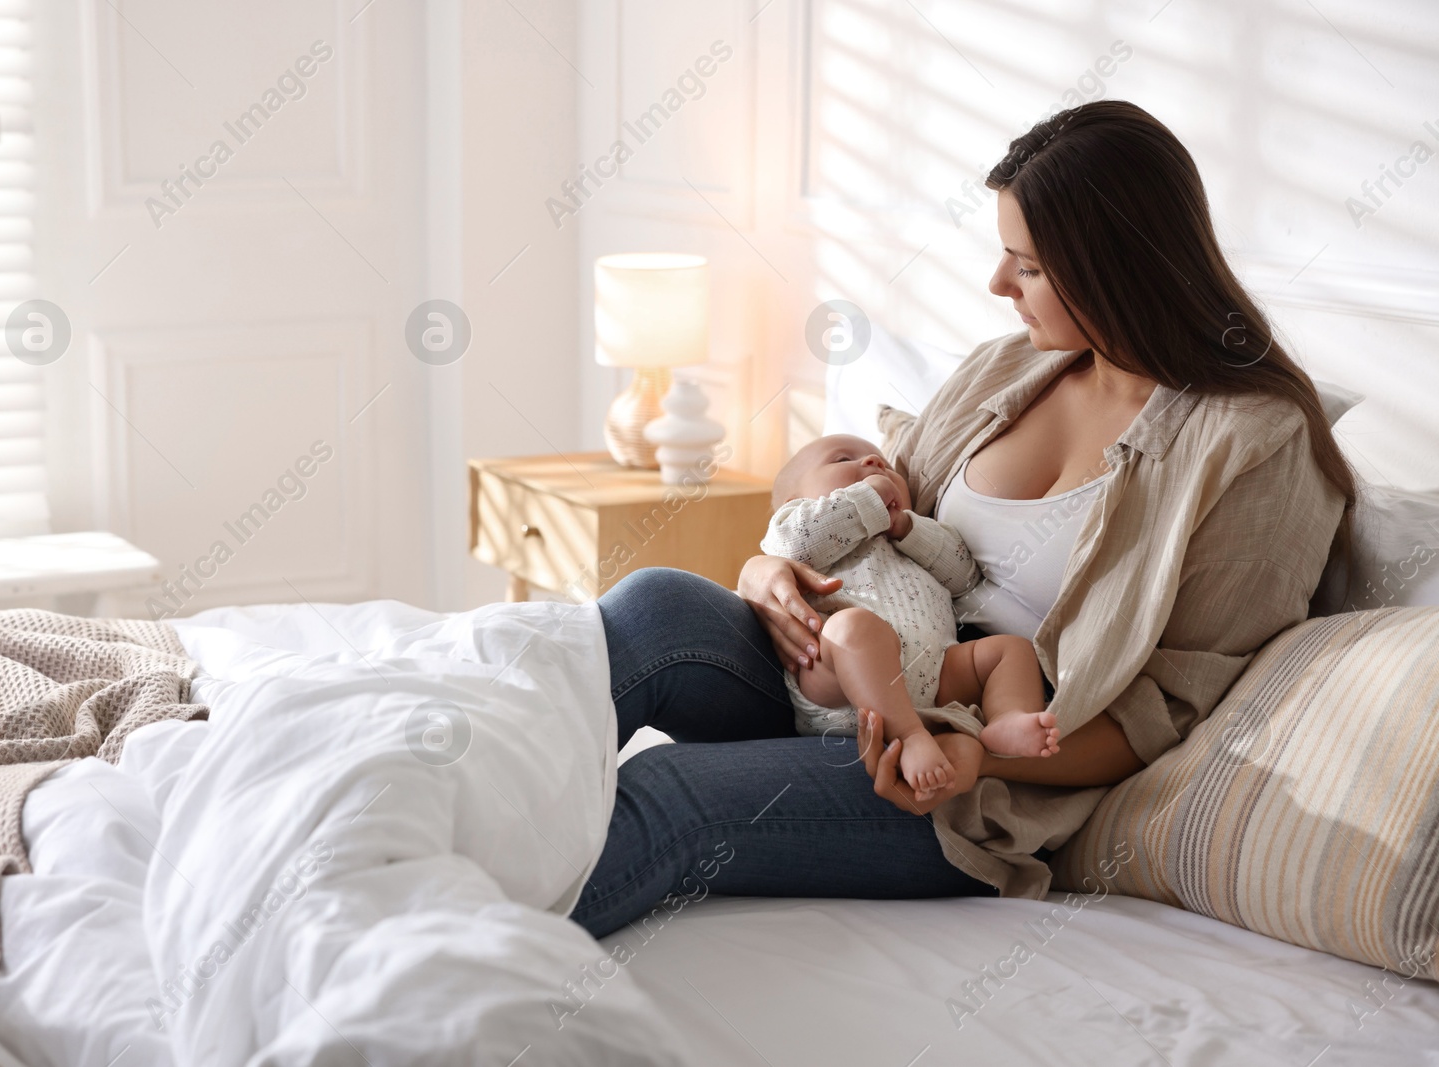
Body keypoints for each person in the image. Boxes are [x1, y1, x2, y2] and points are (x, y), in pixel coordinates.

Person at [570, 100, 1354, 940]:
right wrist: (767, 572)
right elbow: (868, 513)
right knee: (653, 605)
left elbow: (1174, 707)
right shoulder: (1007, 369)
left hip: (972, 771)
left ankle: (451, 954)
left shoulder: (1255, 445)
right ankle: (436, 835)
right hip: (848, 670)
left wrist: (979, 748)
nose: (997, 285)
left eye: (1028, 266)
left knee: (666, 793)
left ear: (1118, 267)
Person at [760, 433, 1058, 803]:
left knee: (1011, 651)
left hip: (933, 673)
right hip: (839, 680)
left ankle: (1007, 718)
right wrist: (870, 498)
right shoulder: (796, 522)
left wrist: (909, 528)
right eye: (842, 460)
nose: (873, 462)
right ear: (794, 501)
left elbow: (963, 574)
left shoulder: (911, 535)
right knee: (854, 627)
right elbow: (793, 544)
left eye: (881, 460)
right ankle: (911, 736)